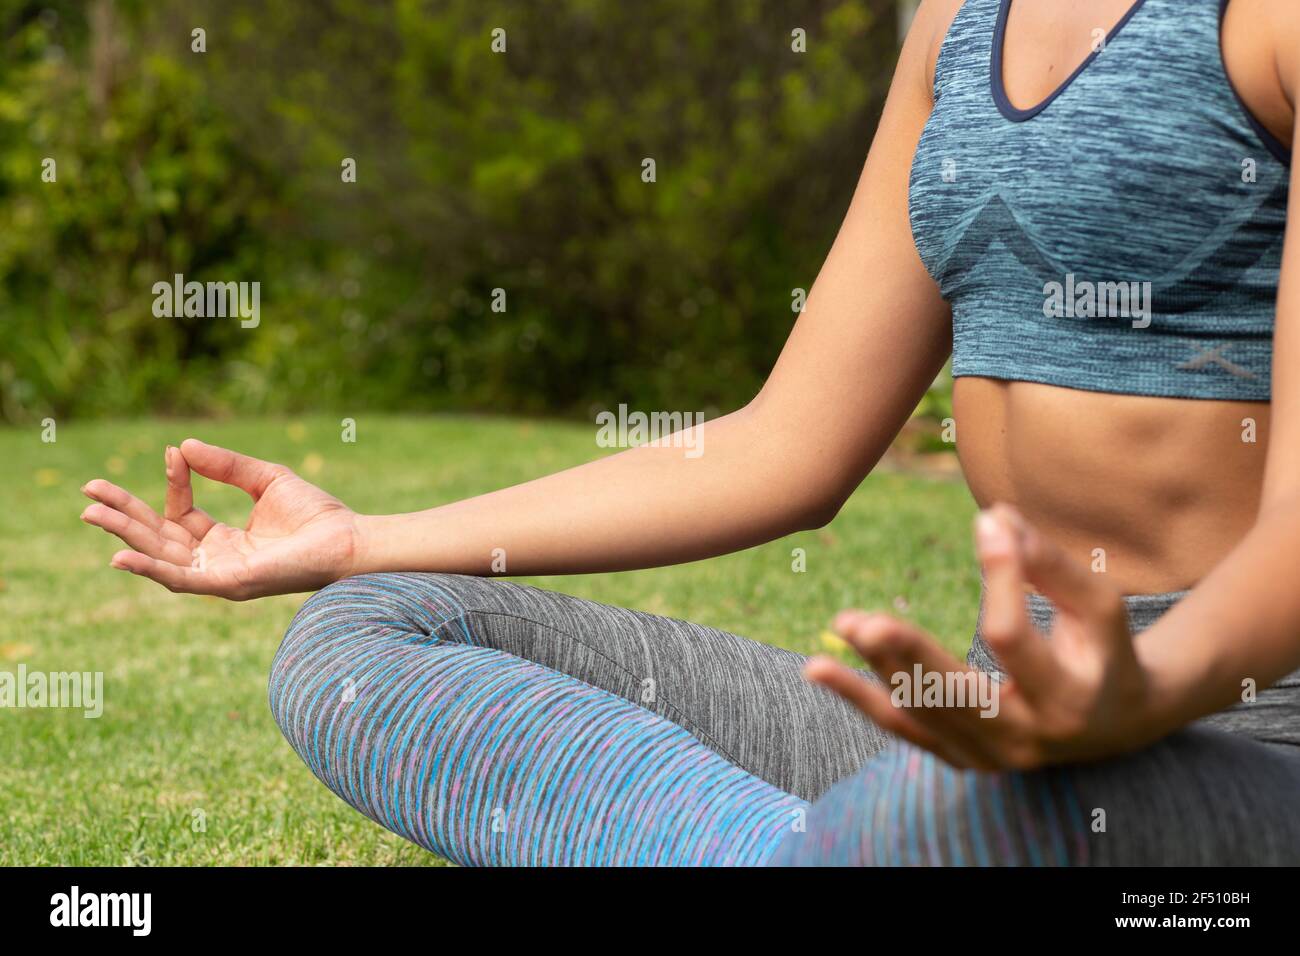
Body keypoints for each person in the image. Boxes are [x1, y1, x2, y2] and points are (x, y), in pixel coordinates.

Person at [81, 0, 1300, 865]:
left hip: (1242, 727)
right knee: (361, 636)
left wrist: (1130, 697)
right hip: (992, 710)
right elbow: (785, 443)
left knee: (946, 816)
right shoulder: (955, 28)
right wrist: (358, 537)